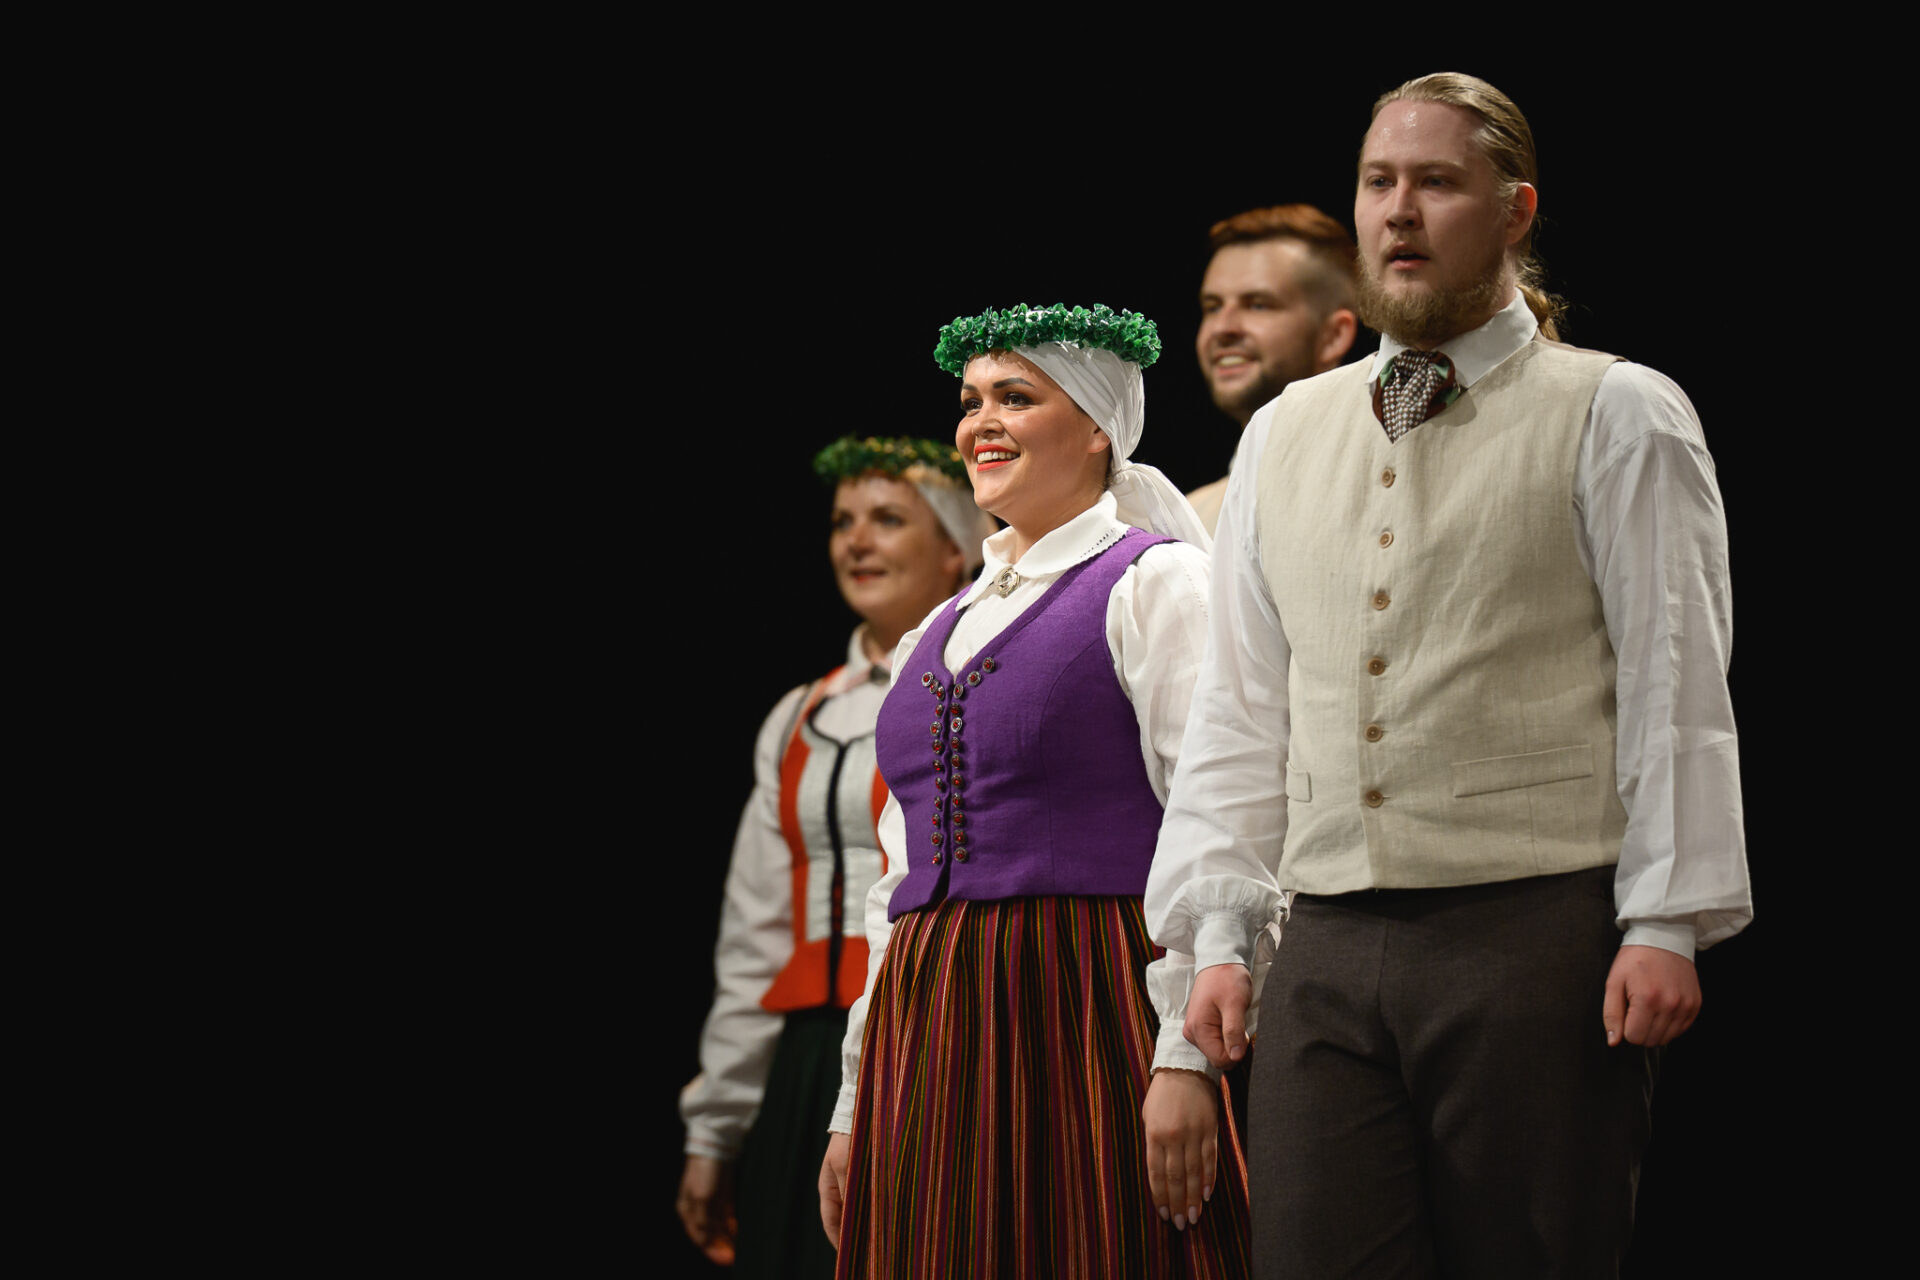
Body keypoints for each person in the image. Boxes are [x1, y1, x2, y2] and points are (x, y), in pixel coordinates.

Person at [1144, 74, 1752, 1278]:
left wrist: (1665, 919)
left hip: (1531, 926)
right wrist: (1218, 931)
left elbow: (1676, 674)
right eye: (1379, 182)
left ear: (1516, 210)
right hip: (1324, 937)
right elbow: (1242, 705)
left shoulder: (1616, 408)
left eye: (1436, 182)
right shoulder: (1286, 430)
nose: (1400, 210)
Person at [817, 304, 1249, 1278]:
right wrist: (855, 1102)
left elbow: (1216, 816)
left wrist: (1185, 1056)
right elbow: (894, 891)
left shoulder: (1157, 584)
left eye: (1016, 396)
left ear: (1098, 425)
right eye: (970, 400)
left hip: (1085, 994)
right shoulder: (935, 631)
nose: (982, 422)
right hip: (932, 1018)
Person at [677, 436, 994, 1277]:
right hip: (811, 1055)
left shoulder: (986, 686)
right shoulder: (800, 714)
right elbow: (755, 932)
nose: (856, 541)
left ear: (956, 546)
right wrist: (717, 1128)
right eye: (841, 521)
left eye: (887, 519)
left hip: (933, 1039)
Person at [1188, 204, 1361, 534]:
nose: (1223, 328)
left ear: (1334, 336)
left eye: (1258, 305)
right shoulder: (1187, 520)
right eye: (1213, 307)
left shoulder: (1374, 491)